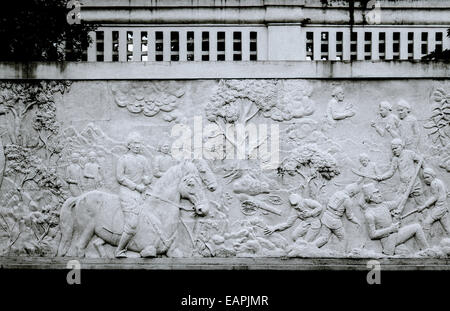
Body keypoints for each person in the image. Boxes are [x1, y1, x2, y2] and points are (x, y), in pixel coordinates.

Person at [362, 183, 429, 255]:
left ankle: (427, 251)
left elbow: (397, 203)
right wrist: (391, 229)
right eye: (376, 193)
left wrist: (407, 191)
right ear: (370, 198)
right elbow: (372, 234)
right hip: (388, 241)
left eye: (379, 192)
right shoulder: (369, 214)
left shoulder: (384, 205)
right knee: (416, 227)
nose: (380, 194)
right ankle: (428, 251)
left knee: (405, 250)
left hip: (395, 234)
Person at [115, 132, 152, 258]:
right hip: (127, 192)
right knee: (132, 223)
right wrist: (136, 186)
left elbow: (148, 174)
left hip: (142, 191)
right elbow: (120, 177)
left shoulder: (143, 159)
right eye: (135, 143)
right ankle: (120, 250)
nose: (137, 146)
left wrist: (147, 179)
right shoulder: (123, 159)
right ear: (129, 145)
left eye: (139, 143)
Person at [373, 138, 424, 214]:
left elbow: (421, 160)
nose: (394, 150)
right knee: (397, 203)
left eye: (396, 148)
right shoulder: (395, 159)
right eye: (392, 149)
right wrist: (381, 177)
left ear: (401, 146)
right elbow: (391, 172)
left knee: (421, 204)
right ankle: (394, 218)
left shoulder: (409, 153)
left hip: (415, 182)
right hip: (404, 185)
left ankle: (426, 219)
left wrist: (426, 171)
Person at [314, 183, 361, 248]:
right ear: (352, 192)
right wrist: (357, 222)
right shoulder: (348, 200)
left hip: (325, 217)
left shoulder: (337, 193)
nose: (353, 196)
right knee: (343, 238)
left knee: (324, 238)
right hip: (334, 221)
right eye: (354, 194)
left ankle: (311, 247)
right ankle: (341, 253)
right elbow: (350, 216)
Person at [417, 167, 450, 238]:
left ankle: (424, 246)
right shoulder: (439, 181)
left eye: (427, 177)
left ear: (432, 175)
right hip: (444, 207)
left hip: (439, 208)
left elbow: (435, 197)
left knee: (426, 223)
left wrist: (423, 206)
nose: (426, 179)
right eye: (424, 178)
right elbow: (447, 192)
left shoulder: (433, 183)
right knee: (447, 228)